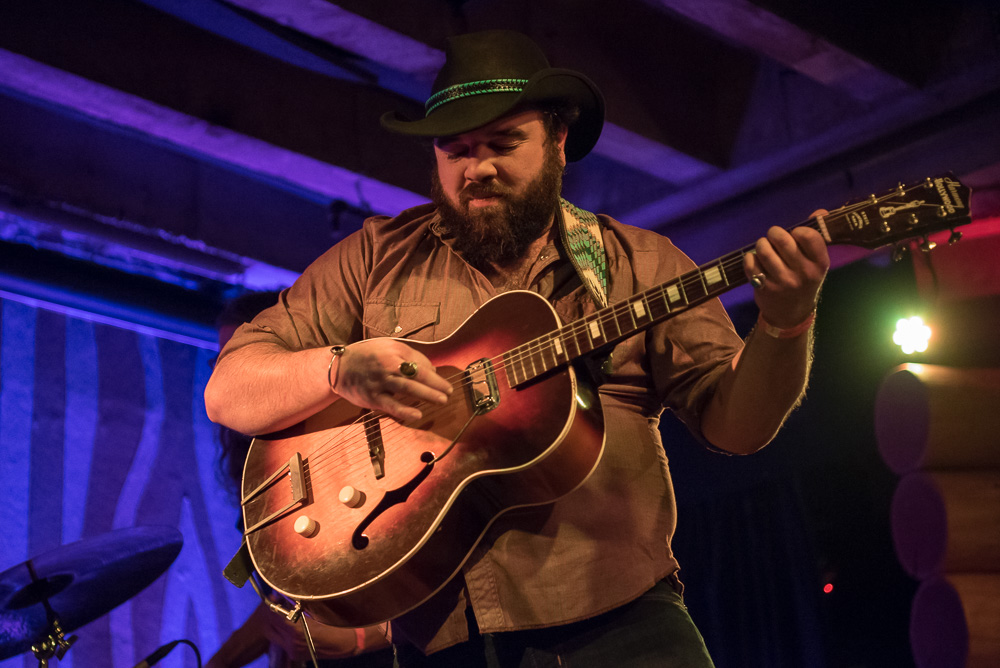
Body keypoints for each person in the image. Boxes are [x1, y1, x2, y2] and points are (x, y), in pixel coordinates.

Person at [205, 30, 829, 668]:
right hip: (440, 640)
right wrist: (338, 370)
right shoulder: (372, 258)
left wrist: (785, 324)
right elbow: (228, 391)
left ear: (558, 142)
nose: (477, 169)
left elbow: (737, 429)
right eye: (456, 150)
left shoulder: (641, 263)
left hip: (621, 622)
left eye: (504, 144)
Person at [206, 292, 393, 668]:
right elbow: (278, 608)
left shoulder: (349, 433)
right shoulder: (261, 468)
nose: (227, 379)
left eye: (237, 361)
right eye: (220, 364)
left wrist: (359, 639)